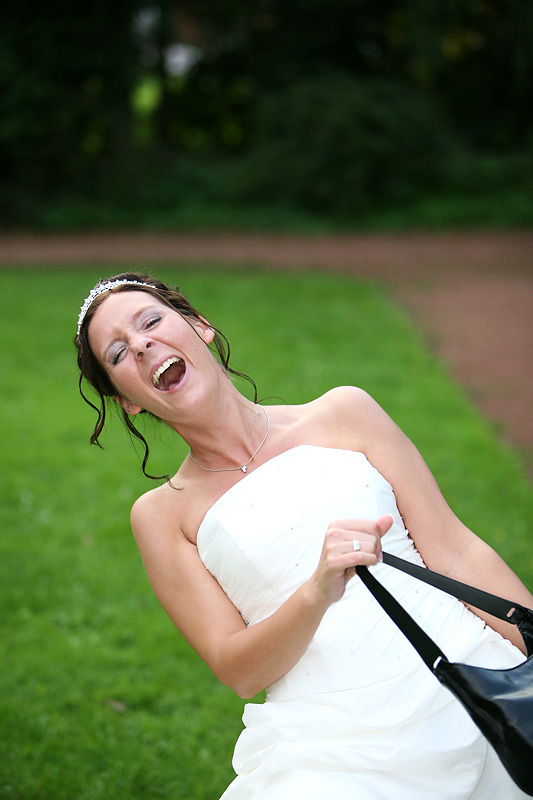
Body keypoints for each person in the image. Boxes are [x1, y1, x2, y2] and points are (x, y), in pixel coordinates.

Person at [76, 272, 532, 799]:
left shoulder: (345, 412)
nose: (142, 344)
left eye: (150, 321)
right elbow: (237, 669)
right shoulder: (160, 516)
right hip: (331, 744)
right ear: (127, 400)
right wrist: (315, 592)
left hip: (467, 674)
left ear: (199, 326)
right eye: (117, 352)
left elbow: (455, 549)